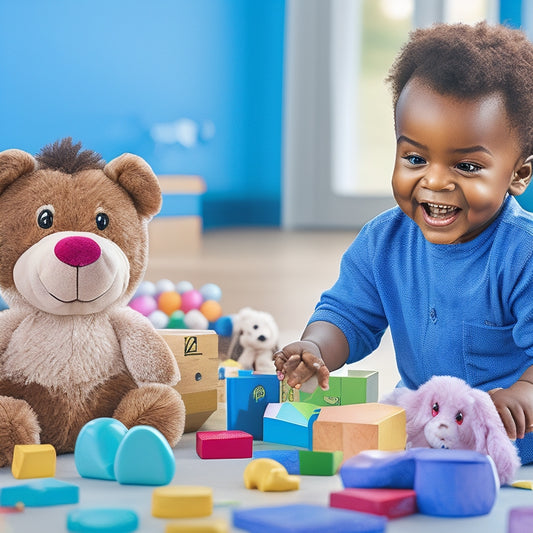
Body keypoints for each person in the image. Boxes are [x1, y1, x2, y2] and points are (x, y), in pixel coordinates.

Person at [274, 21, 533, 464]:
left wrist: (522, 395)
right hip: (423, 433)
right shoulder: (383, 241)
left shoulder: (521, 253)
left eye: (467, 167)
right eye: (415, 158)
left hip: (507, 444)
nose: (434, 181)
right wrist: (315, 348)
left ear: (518, 175)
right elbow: (347, 315)